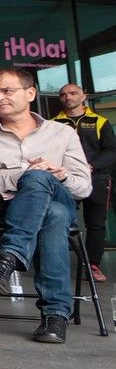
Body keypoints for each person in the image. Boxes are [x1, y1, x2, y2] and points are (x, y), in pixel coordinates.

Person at [0, 69, 92, 343]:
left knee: (50, 198)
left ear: (30, 93)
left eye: (7, 91)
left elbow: (84, 187)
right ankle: (55, 316)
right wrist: (24, 176)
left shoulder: (63, 133)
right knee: (51, 211)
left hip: (58, 197)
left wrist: (58, 174)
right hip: (1, 207)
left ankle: (7, 257)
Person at [53, 82, 115, 283]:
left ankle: (92, 265)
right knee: (60, 219)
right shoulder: (53, 124)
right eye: (63, 95)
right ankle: (58, 263)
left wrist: (91, 166)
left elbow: (112, 150)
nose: (67, 97)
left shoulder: (100, 121)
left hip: (96, 178)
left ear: (83, 96)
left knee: (96, 223)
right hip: (65, 178)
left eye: (73, 93)